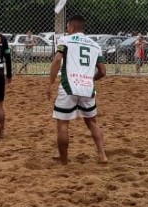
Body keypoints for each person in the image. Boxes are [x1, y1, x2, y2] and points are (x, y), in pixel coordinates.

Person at [46, 14, 108, 165]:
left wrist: (50, 83)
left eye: (67, 27)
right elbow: (103, 71)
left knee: (62, 123)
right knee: (92, 122)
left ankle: (64, 161)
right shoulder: (95, 45)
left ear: (72, 27)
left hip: (69, 87)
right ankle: (102, 155)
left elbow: (58, 59)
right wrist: (90, 79)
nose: (67, 30)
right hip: (88, 88)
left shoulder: (65, 40)